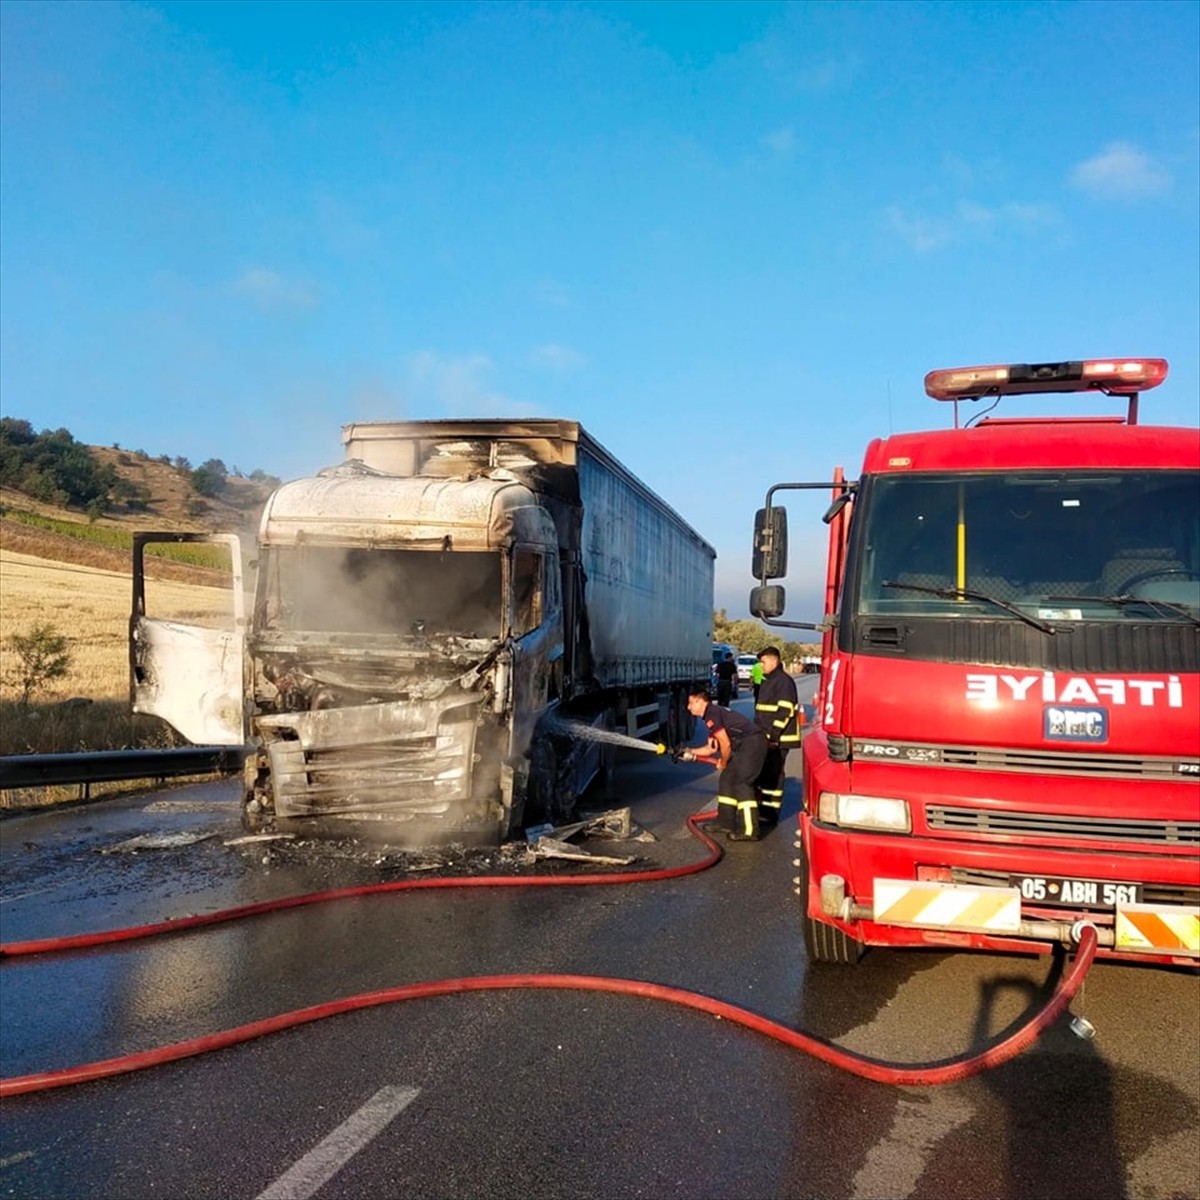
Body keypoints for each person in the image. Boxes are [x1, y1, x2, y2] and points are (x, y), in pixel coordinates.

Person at [682, 684, 768, 841]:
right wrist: (689, 751)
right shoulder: (711, 715)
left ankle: (750, 830)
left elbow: (725, 743)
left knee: (742, 782)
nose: (688, 707)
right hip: (745, 745)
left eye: (691, 703)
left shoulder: (712, 714)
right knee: (727, 778)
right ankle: (725, 821)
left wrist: (723, 761)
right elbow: (711, 748)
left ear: (701, 701)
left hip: (753, 744)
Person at [753, 646, 800, 828]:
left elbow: (785, 710)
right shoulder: (769, 680)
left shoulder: (783, 681)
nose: (761, 666)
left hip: (779, 739)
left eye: (763, 662)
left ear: (774, 661)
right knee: (766, 774)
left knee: (774, 774)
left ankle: (770, 813)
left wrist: (773, 735)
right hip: (767, 737)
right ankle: (763, 810)